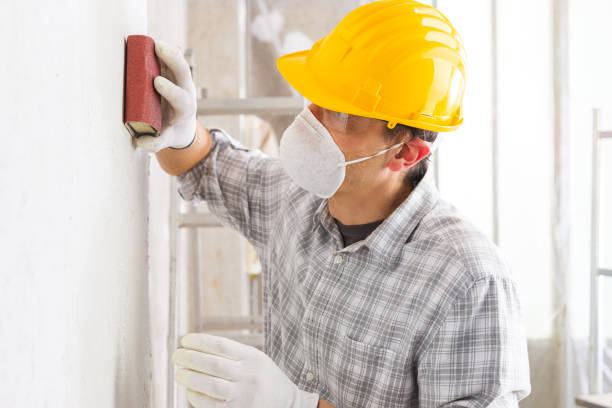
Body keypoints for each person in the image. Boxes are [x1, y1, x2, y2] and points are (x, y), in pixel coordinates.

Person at [136, 1, 531, 407]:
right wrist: (179, 129)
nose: (311, 121)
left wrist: (299, 404)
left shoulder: (467, 280)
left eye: (342, 115)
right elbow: (203, 164)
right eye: (317, 99)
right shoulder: (294, 199)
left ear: (405, 154)